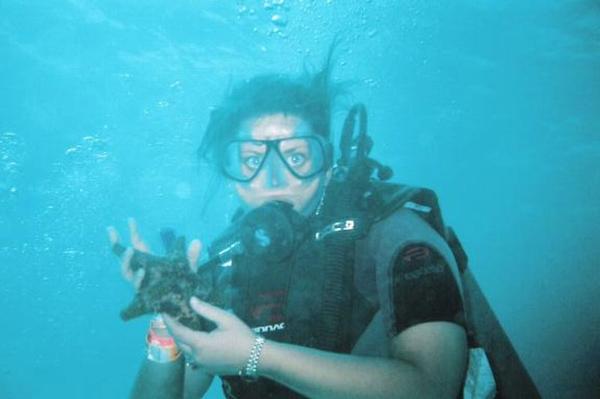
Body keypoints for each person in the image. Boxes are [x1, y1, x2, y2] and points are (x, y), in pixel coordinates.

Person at [108, 55, 469, 399]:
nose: (273, 178)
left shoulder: (391, 236)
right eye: (251, 159)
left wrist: (257, 356)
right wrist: (168, 320)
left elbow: (434, 387)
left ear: (326, 167)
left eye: (296, 156)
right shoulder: (224, 271)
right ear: (231, 178)